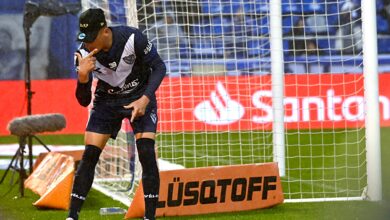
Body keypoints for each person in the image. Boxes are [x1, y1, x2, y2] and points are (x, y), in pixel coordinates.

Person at [67, 8, 166, 220]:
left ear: (105, 31)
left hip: (140, 95)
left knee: (146, 153)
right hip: (107, 101)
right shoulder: (82, 54)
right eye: (85, 39)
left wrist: (145, 98)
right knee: (90, 155)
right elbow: (83, 101)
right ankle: (72, 216)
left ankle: (150, 217)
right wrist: (83, 77)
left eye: (92, 39)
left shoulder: (132, 38)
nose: (88, 44)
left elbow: (159, 67)